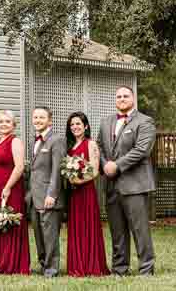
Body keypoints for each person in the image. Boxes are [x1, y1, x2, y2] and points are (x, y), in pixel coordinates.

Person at [97, 86, 157, 276]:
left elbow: (141, 150)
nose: (121, 99)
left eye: (125, 96)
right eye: (118, 96)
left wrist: (117, 165)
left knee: (140, 230)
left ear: (133, 98)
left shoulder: (145, 121)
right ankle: (119, 269)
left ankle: (146, 269)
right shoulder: (106, 122)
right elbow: (98, 147)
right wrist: (105, 164)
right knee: (117, 230)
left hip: (135, 185)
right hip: (111, 185)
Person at [65, 111, 110, 277]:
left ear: (86, 126)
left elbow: (95, 171)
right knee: (76, 227)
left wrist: (78, 180)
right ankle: (77, 265)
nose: (75, 127)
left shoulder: (91, 144)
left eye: (78, 124)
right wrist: (70, 177)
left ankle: (91, 265)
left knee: (88, 226)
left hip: (86, 192)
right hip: (73, 194)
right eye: (72, 124)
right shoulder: (69, 147)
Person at [0, 110, 30, 275]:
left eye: (7, 121)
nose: (3, 124)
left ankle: (11, 262)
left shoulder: (15, 141)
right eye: (1, 121)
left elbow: (19, 166)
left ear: (14, 125)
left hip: (10, 188)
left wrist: (8, 187)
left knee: (9, 221)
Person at [25, 106, 65, 278]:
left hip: (49, 196)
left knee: (49, 235)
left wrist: (52, 194)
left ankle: (51, 268)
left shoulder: (57, 140)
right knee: (38, 234)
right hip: (35, 196)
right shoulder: (34, 141)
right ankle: (43, 264)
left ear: (50, 120)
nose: (38, 120)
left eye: (42, 117)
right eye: (35, 117)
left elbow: (57, 170)